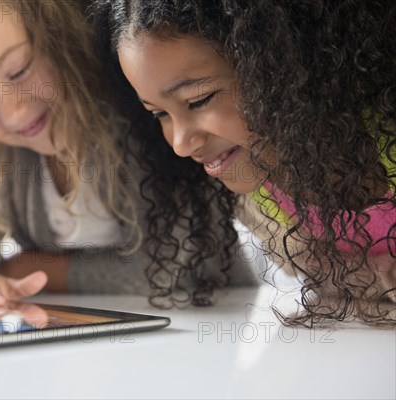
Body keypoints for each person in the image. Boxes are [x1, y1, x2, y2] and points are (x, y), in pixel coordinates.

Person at [0, 0, 258, 307]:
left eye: (18, 71)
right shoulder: (3, 156)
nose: (12, 112)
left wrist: (31, 266)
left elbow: (171, 270)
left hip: (209, 327)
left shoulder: (142, 120)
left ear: (59, 38)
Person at [93, 0, 395, 325]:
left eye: (198, 100)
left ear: (280, 68)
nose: (180, 144)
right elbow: (329, 281)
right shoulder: (256, 191)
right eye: (160, 113)